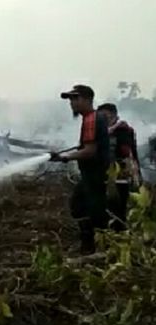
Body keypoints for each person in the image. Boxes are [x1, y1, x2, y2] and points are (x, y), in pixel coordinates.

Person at [51, 85, 110, 254]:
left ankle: (95, 249)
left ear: (87, 99)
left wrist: (65, 157)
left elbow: (90, 151)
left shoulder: (91, 118)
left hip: (95, 176)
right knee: (80, 206)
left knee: (92, 212)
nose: (72, 103)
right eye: (70, 99)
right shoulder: (93, 118)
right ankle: (91, 245)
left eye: (75, 98)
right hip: (95, 175)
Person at [97, 103, 141, 231]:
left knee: (117, 210)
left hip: (119, 178)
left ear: (112, 115)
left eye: (104, 116)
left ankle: (118, 236)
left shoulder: (122, 131)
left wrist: (134, 174)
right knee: (108, 210)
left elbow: (128, 153)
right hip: (107, 177)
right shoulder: (107, 131)